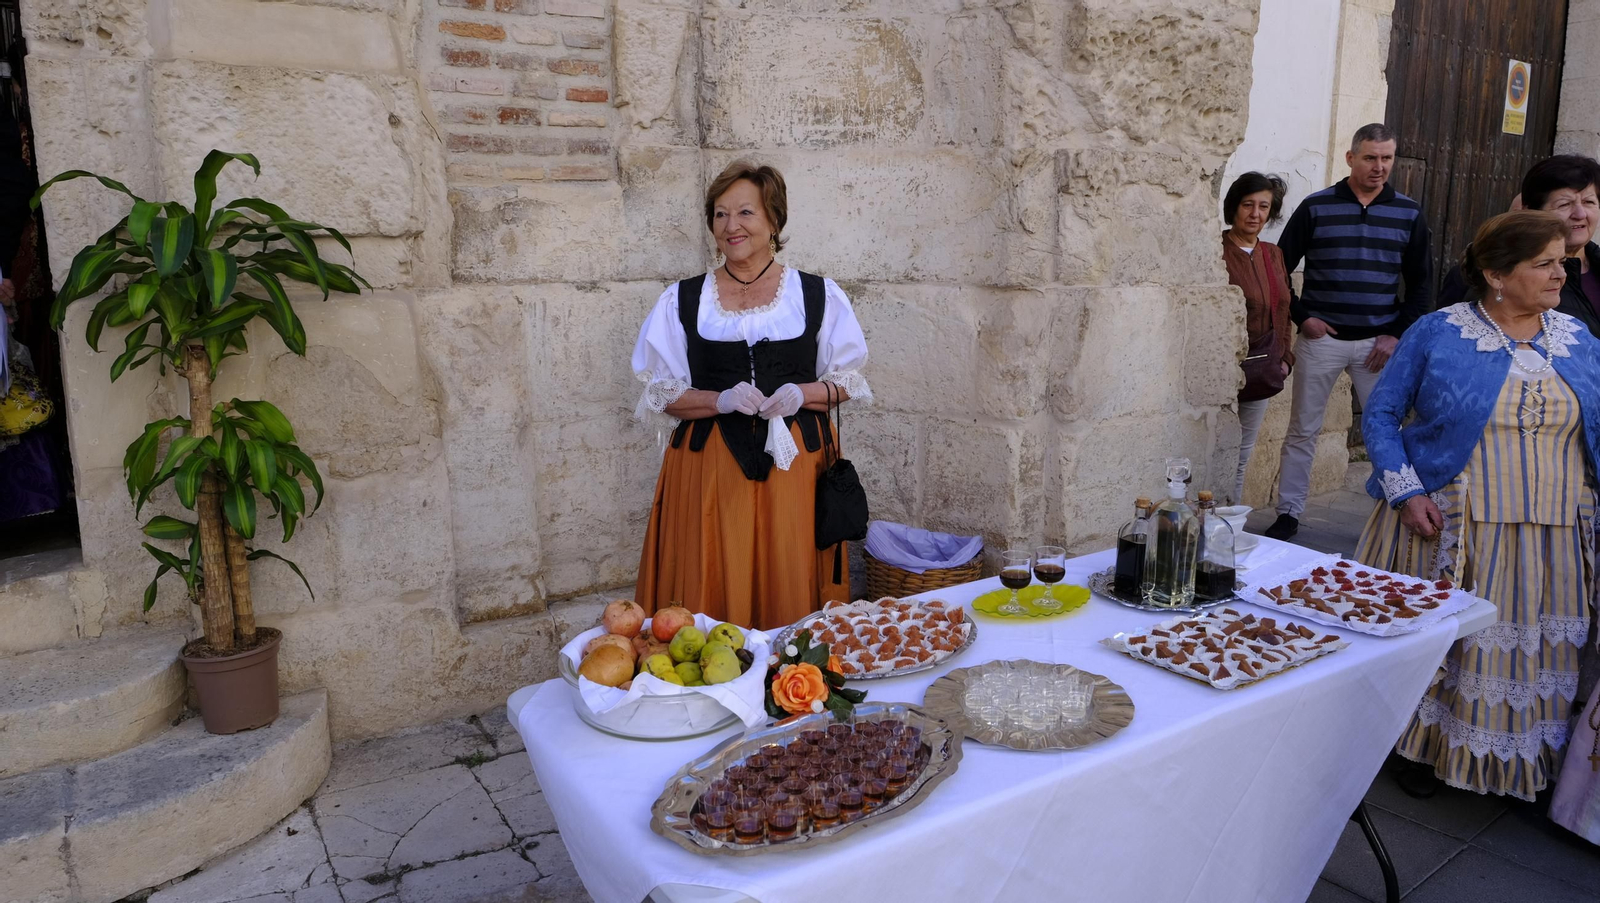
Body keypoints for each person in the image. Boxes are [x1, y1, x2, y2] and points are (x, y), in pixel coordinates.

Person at [1353, 211, 1600, 801]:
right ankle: (1415, 746)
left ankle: (1524, 754)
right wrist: (1404, 490)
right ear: (1495, 273)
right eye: (1543, 263)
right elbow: (1382, 414)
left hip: (1553, 532)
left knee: (1535, 646)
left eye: (1562, 261)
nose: (1559, 274)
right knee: (1448, 644)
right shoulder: (1440, 331)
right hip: (1455, 525)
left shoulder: (1578, 338)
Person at [630, 162, 871, 630]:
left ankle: (796, 679)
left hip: (796, 466)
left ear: (774, 221)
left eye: (745, 212)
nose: (731, 226)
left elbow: (850, 380)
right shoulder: (682, 299)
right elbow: (660, 392)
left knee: (790, 567)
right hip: (709, 467)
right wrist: (717, 401)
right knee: (712, 568)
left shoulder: (817, 294)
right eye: (720, 215)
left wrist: (803, 393)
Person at [1265, 123, 1434, 540]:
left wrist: (1396, 334)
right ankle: (1288, 512)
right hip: (1321, 340)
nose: (1380, 167)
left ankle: (1391, 517)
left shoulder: (1409, 212)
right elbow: (1277, 269)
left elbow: (1421, 284)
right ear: (1351, 158)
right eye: (1371, 158)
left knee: (1386, 434)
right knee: (1303, 429)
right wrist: (1302, 316)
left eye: (1387, 158)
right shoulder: (1317, 206)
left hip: (1379, 345)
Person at [1438, 155, 1600, 337]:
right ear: (1529, 212)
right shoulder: (1489, 273)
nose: (1580, 213)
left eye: (1589, 202)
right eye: (1564, 204)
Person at [1221, 171, 1295, 504]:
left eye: (1263, 206)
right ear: (1233, 208)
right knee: (1210, 451)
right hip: (1221, 372)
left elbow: (1283, 308)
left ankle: (1228, 529)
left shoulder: (1273, 254)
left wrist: (1284, 359)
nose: (1255, 214)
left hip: (1260, 370)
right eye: (1248, 205)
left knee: (1240, 455)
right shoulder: (1216, 251)